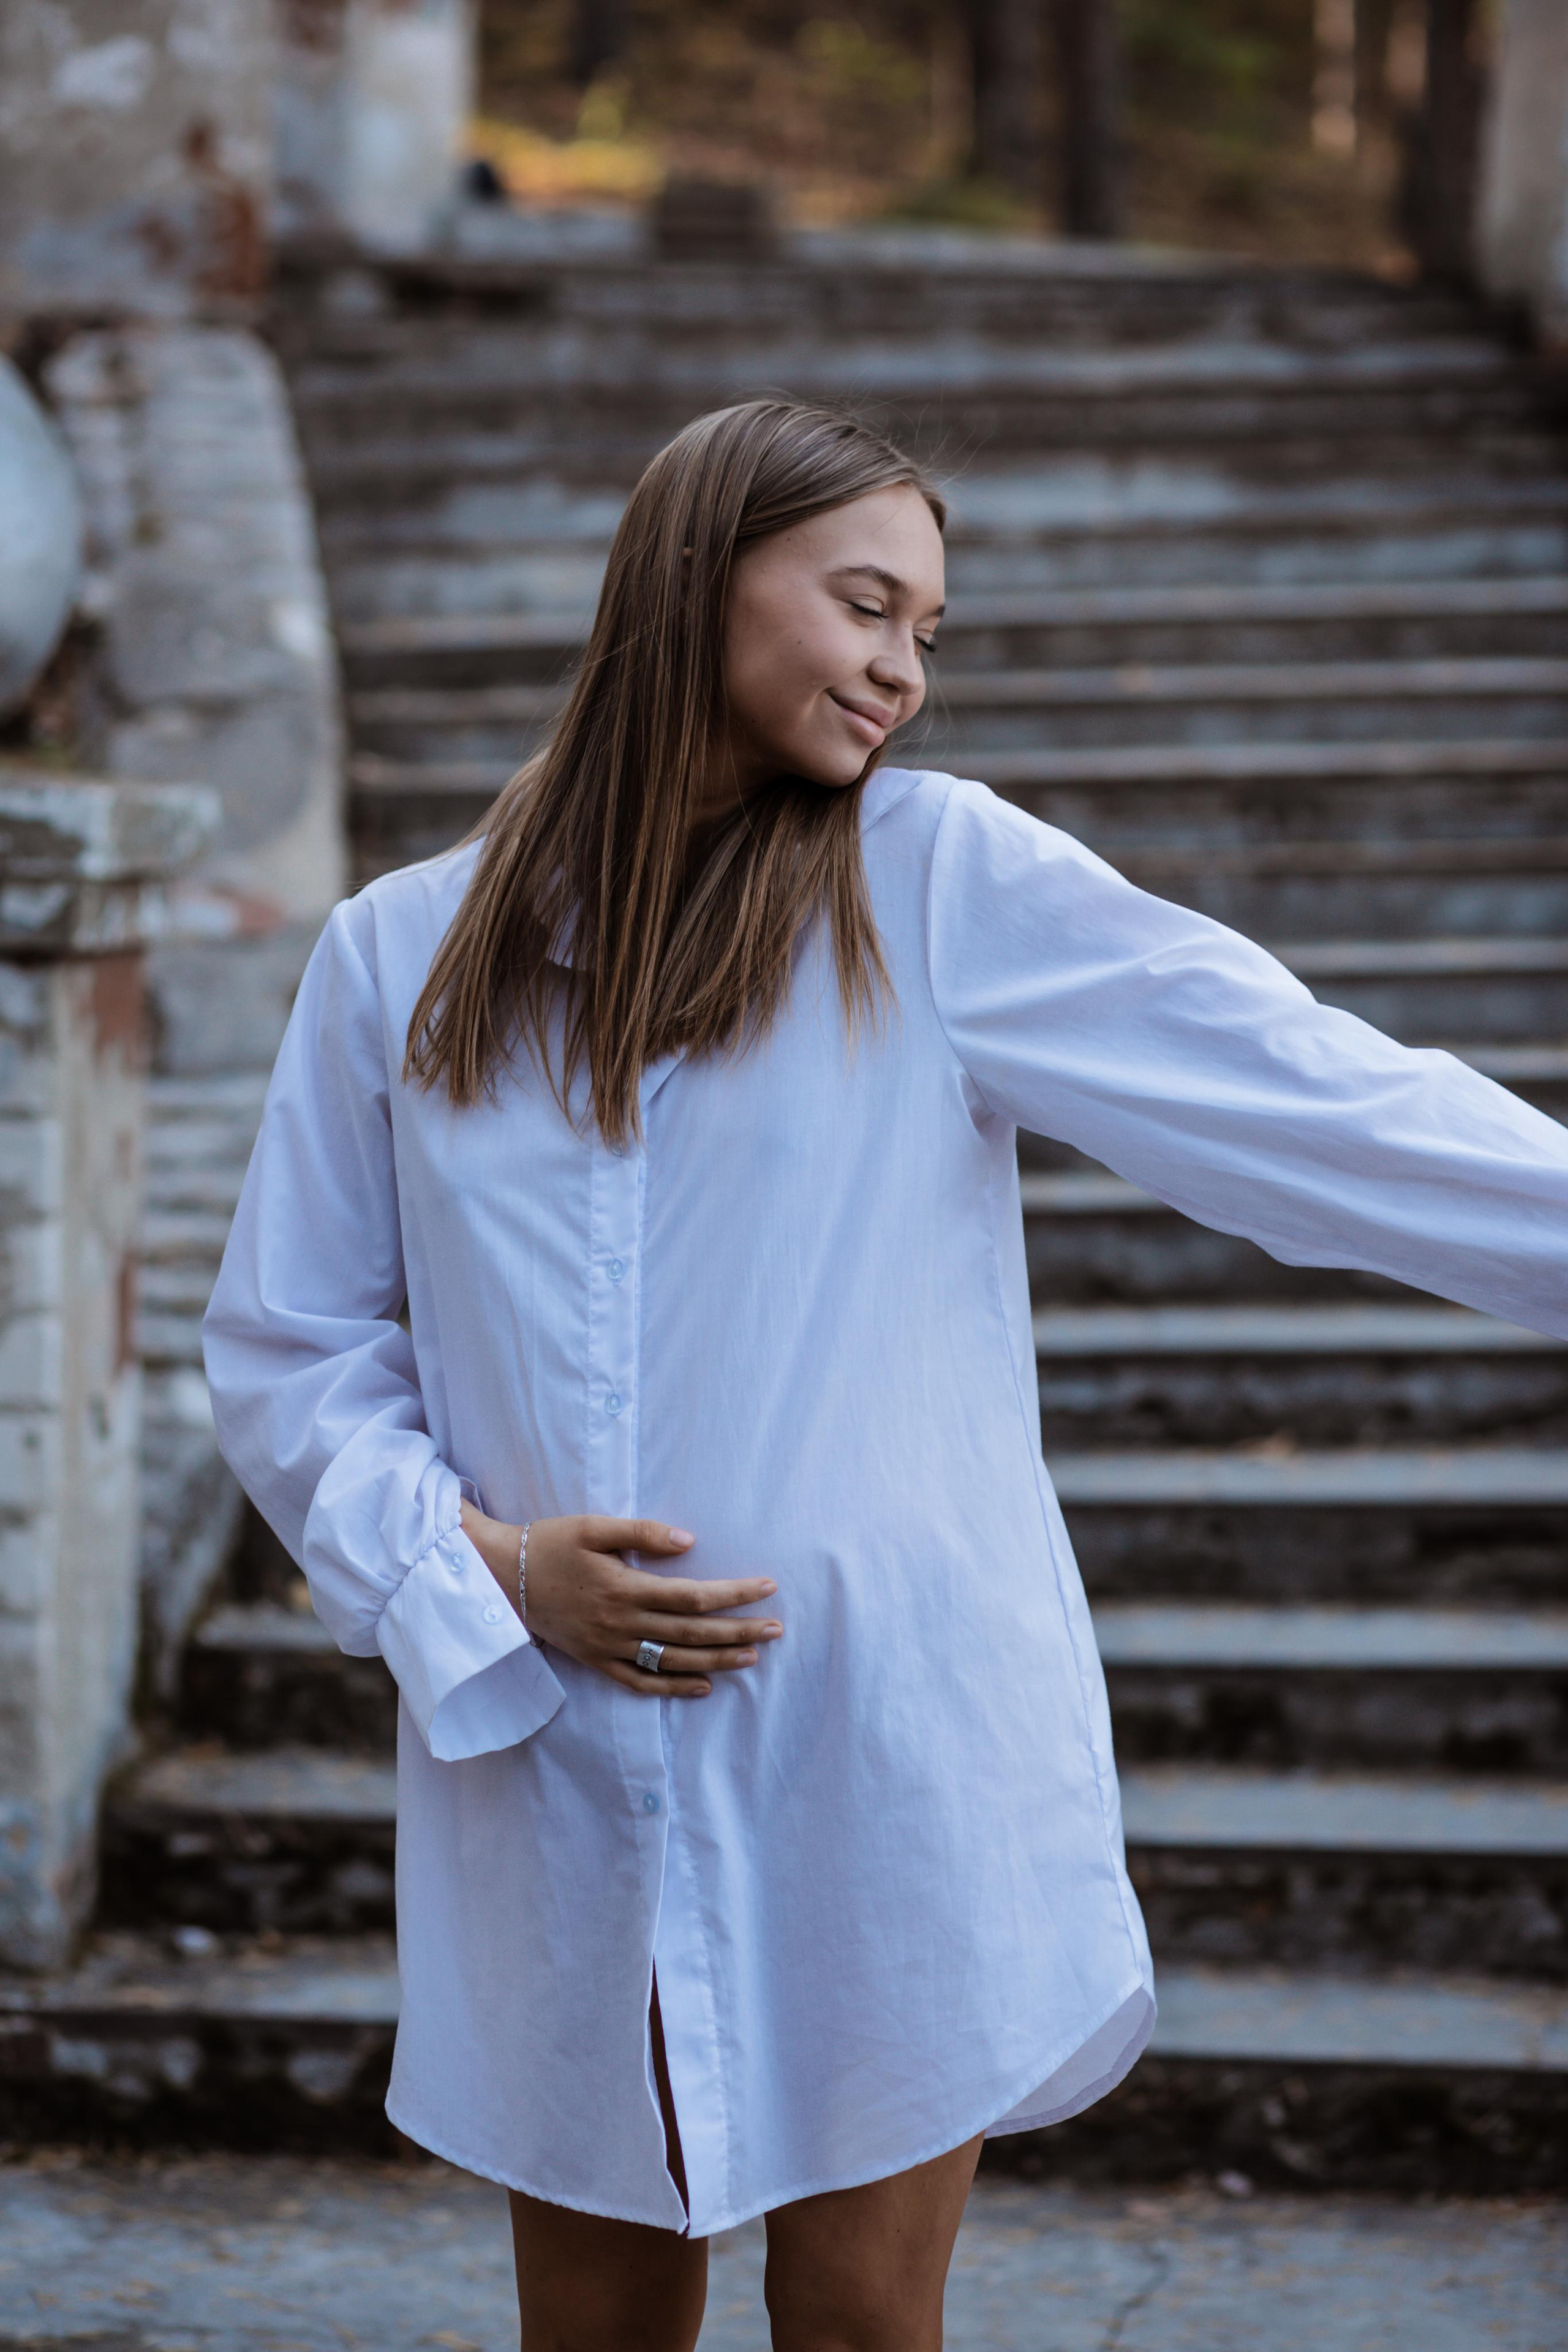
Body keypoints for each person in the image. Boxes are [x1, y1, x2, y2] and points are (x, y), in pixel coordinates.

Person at [205, 398, 1568, 2350]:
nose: (902, 674)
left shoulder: (932, 884)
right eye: (866, 605)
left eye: (929, 632)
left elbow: (1310, 1098)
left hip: (885, 1755)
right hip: (558, 1766)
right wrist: (489, 1567)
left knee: (858, 2323)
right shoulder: (399, 958)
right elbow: (293, 1349)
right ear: (701, 576)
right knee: (592, 2333)